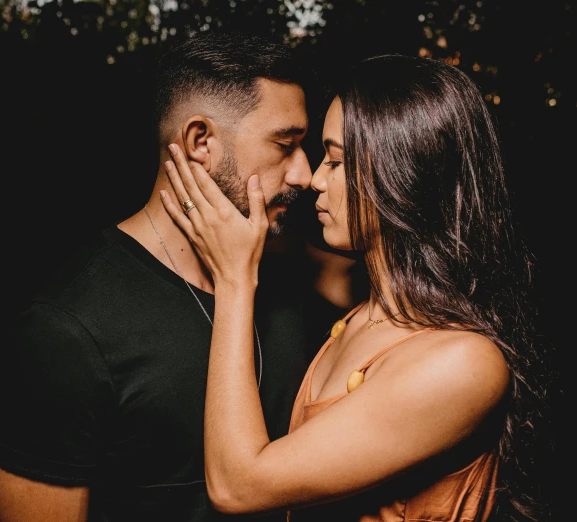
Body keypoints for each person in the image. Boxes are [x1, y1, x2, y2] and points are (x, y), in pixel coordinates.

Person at [159, 54, 556, 521]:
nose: (314, 180)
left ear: (405, 172)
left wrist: (234, 280)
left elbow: (236, 487)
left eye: (337, 160)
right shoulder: (363, 302)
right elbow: (289, 253)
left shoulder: (463, 363)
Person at [0, 31, 319, 522]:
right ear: (199, 143)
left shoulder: (298, 276)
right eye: (285, 145)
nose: (304, 174)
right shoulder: (68, 330)